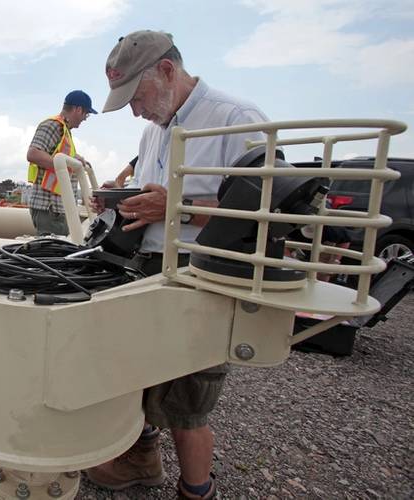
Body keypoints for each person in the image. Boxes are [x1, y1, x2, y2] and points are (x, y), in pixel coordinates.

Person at [85, 30, 269, 499]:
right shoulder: (154, 132)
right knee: (139, 373)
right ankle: (141, 459)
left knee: (189, 399)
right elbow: (154, 200)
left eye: (137, 96)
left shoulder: (236, 119)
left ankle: (197, 489)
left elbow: (265, 208)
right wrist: (115, 202)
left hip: (201, 273)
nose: (135, 110)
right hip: (149, 266)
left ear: (167, 71)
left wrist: (176, 207)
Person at [26, 90, 96, 235]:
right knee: (52, 252)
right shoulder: (52, 125)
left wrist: (75, 158)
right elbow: (33, 153)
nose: (85, 118)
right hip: (48, 206)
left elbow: (56, 153)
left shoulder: (64, 130)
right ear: (78, 109)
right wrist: (67, 164)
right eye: (86, 114)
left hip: (57, 206)